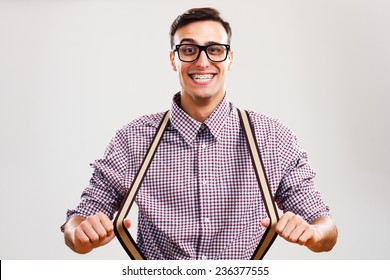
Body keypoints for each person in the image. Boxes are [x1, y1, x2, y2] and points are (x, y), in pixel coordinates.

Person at [62, 7, 337, 259]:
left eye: (215, 50)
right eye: (189, 50)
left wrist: (314, 234)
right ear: (174, 60)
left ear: (230, 59)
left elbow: (325, 228)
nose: (203, 62)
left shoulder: (272, 137)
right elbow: (78, 222)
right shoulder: (133, 139)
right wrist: (80, 234)